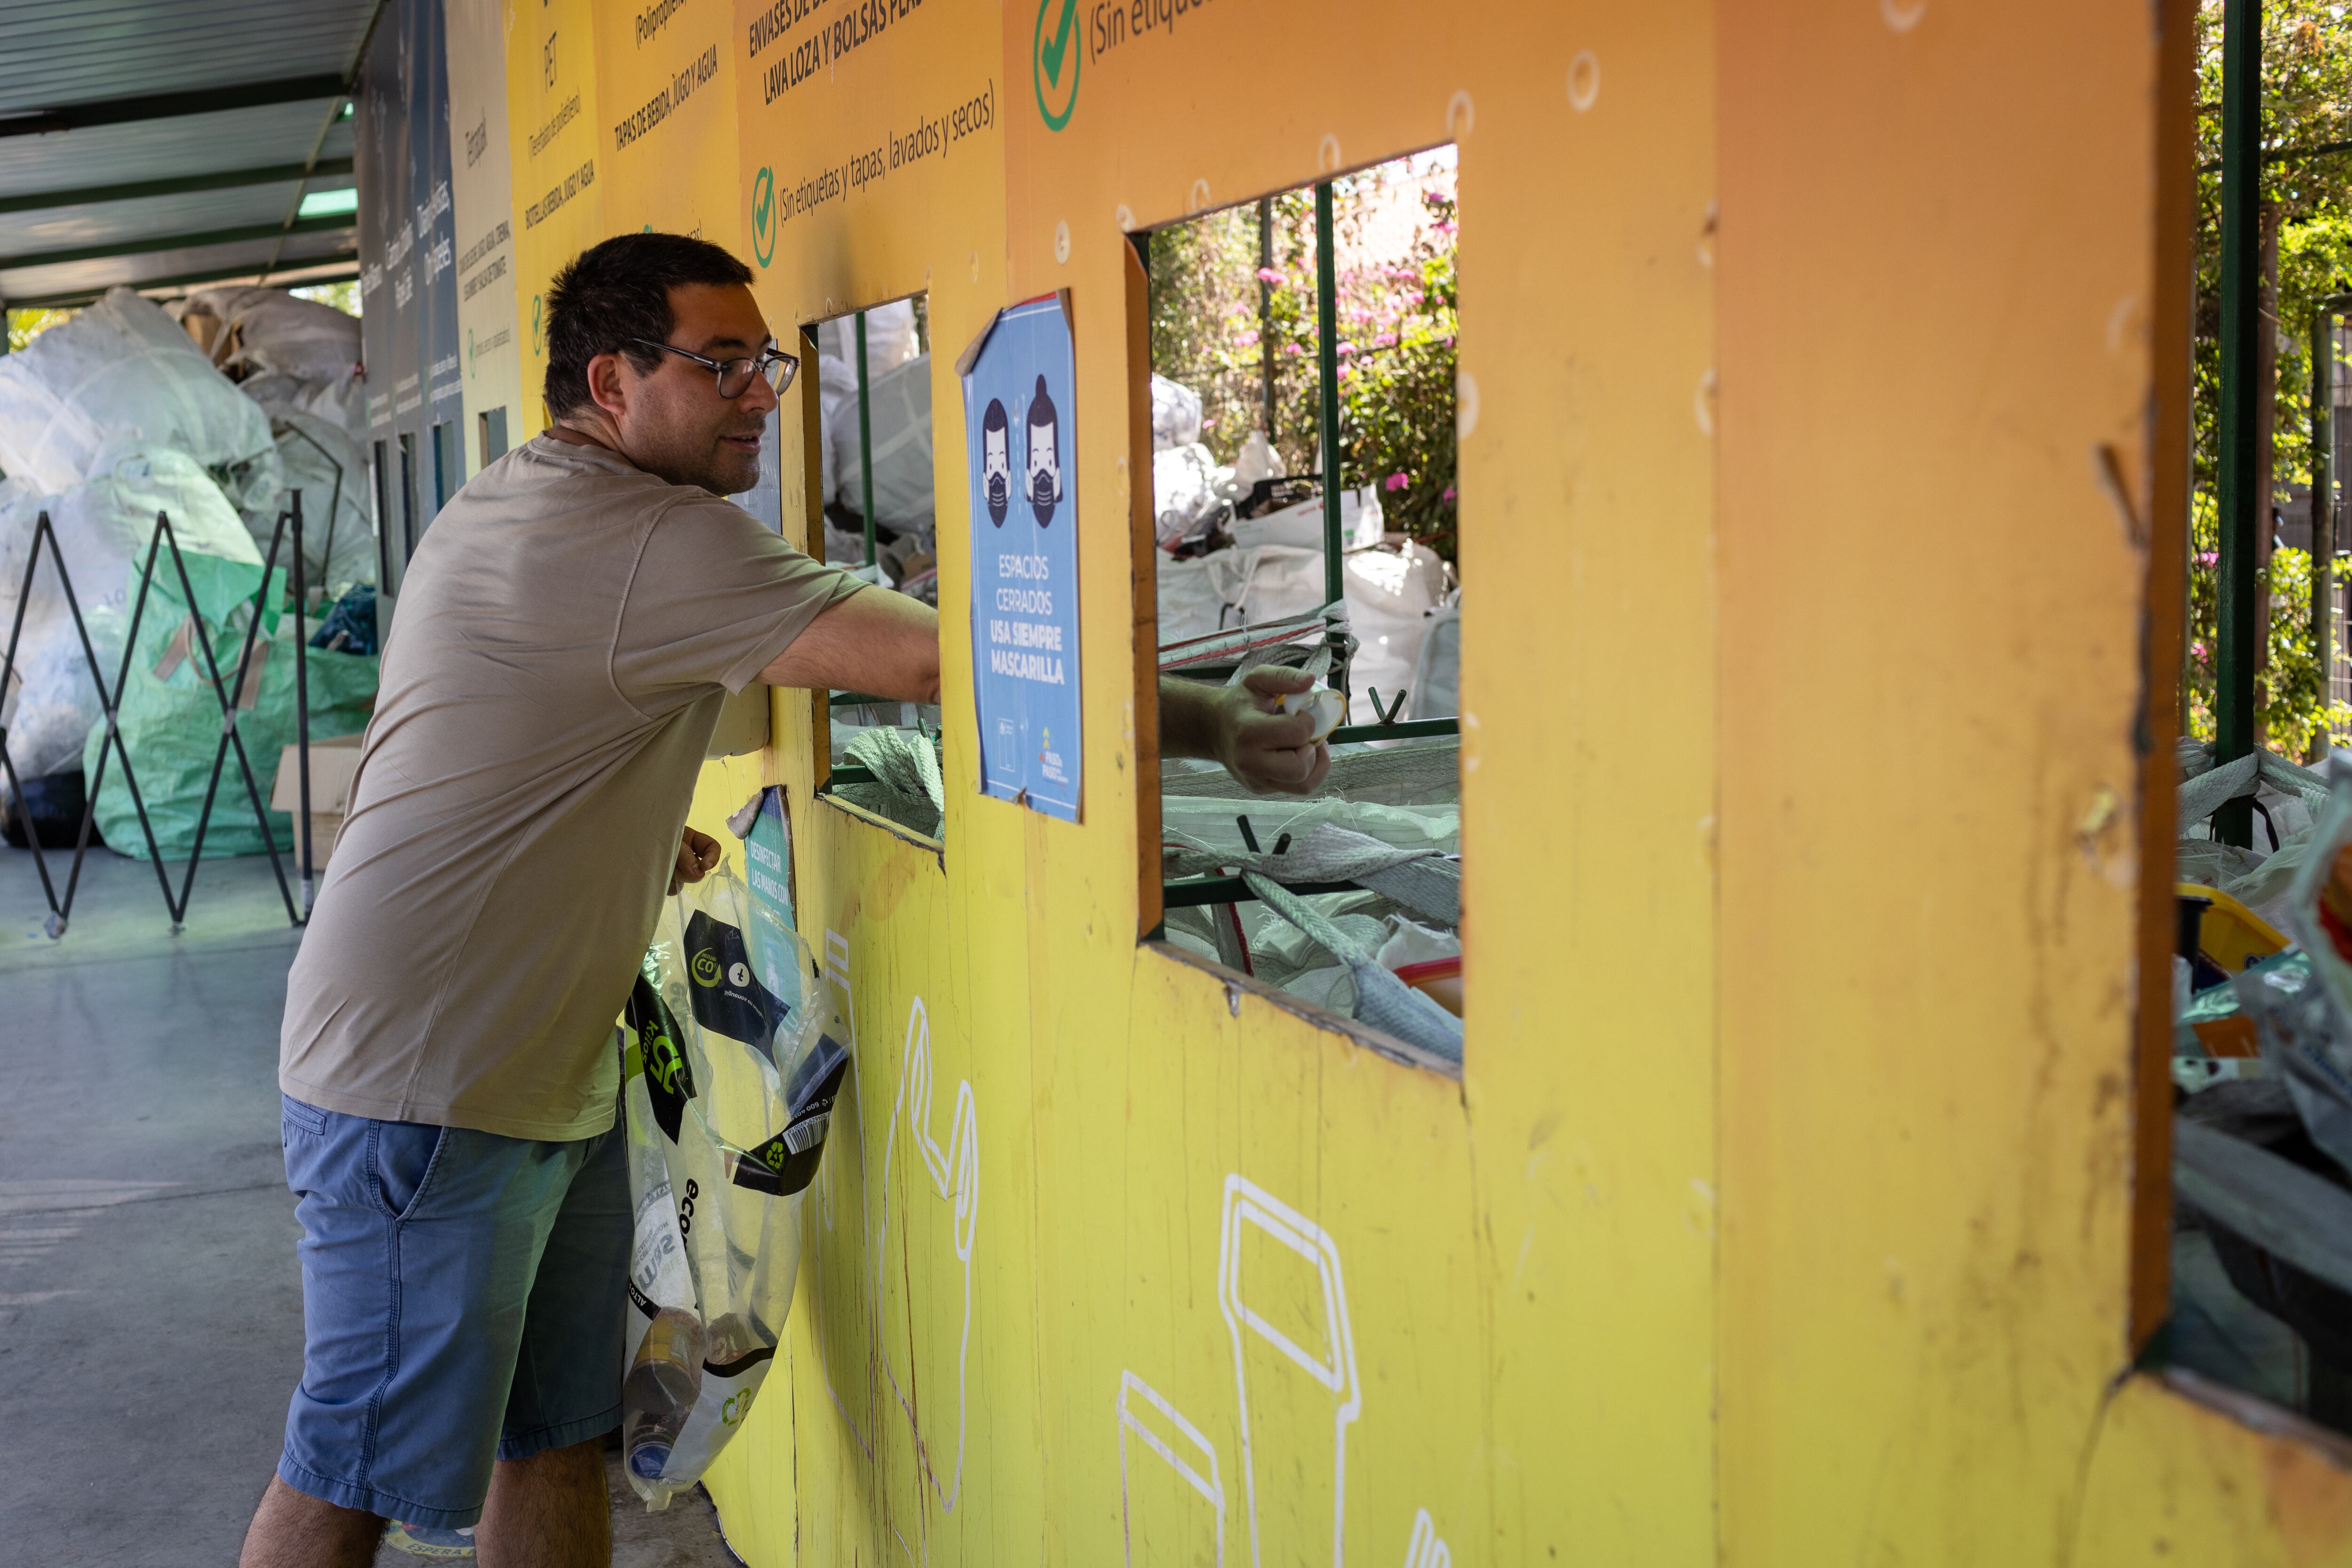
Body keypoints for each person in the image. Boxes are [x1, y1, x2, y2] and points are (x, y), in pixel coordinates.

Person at [240, 231, 1330, 1568]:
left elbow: (527, 738)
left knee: (558, 1437)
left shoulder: (526, 495)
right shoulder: (646, 538)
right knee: (345, 1469)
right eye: (724, 364)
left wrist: (632, 848)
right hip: (429, 1089)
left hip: (519, 1073)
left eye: (769, 360)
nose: (763, 391)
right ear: (613, 380)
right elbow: (944, 667)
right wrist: (1212, 717)